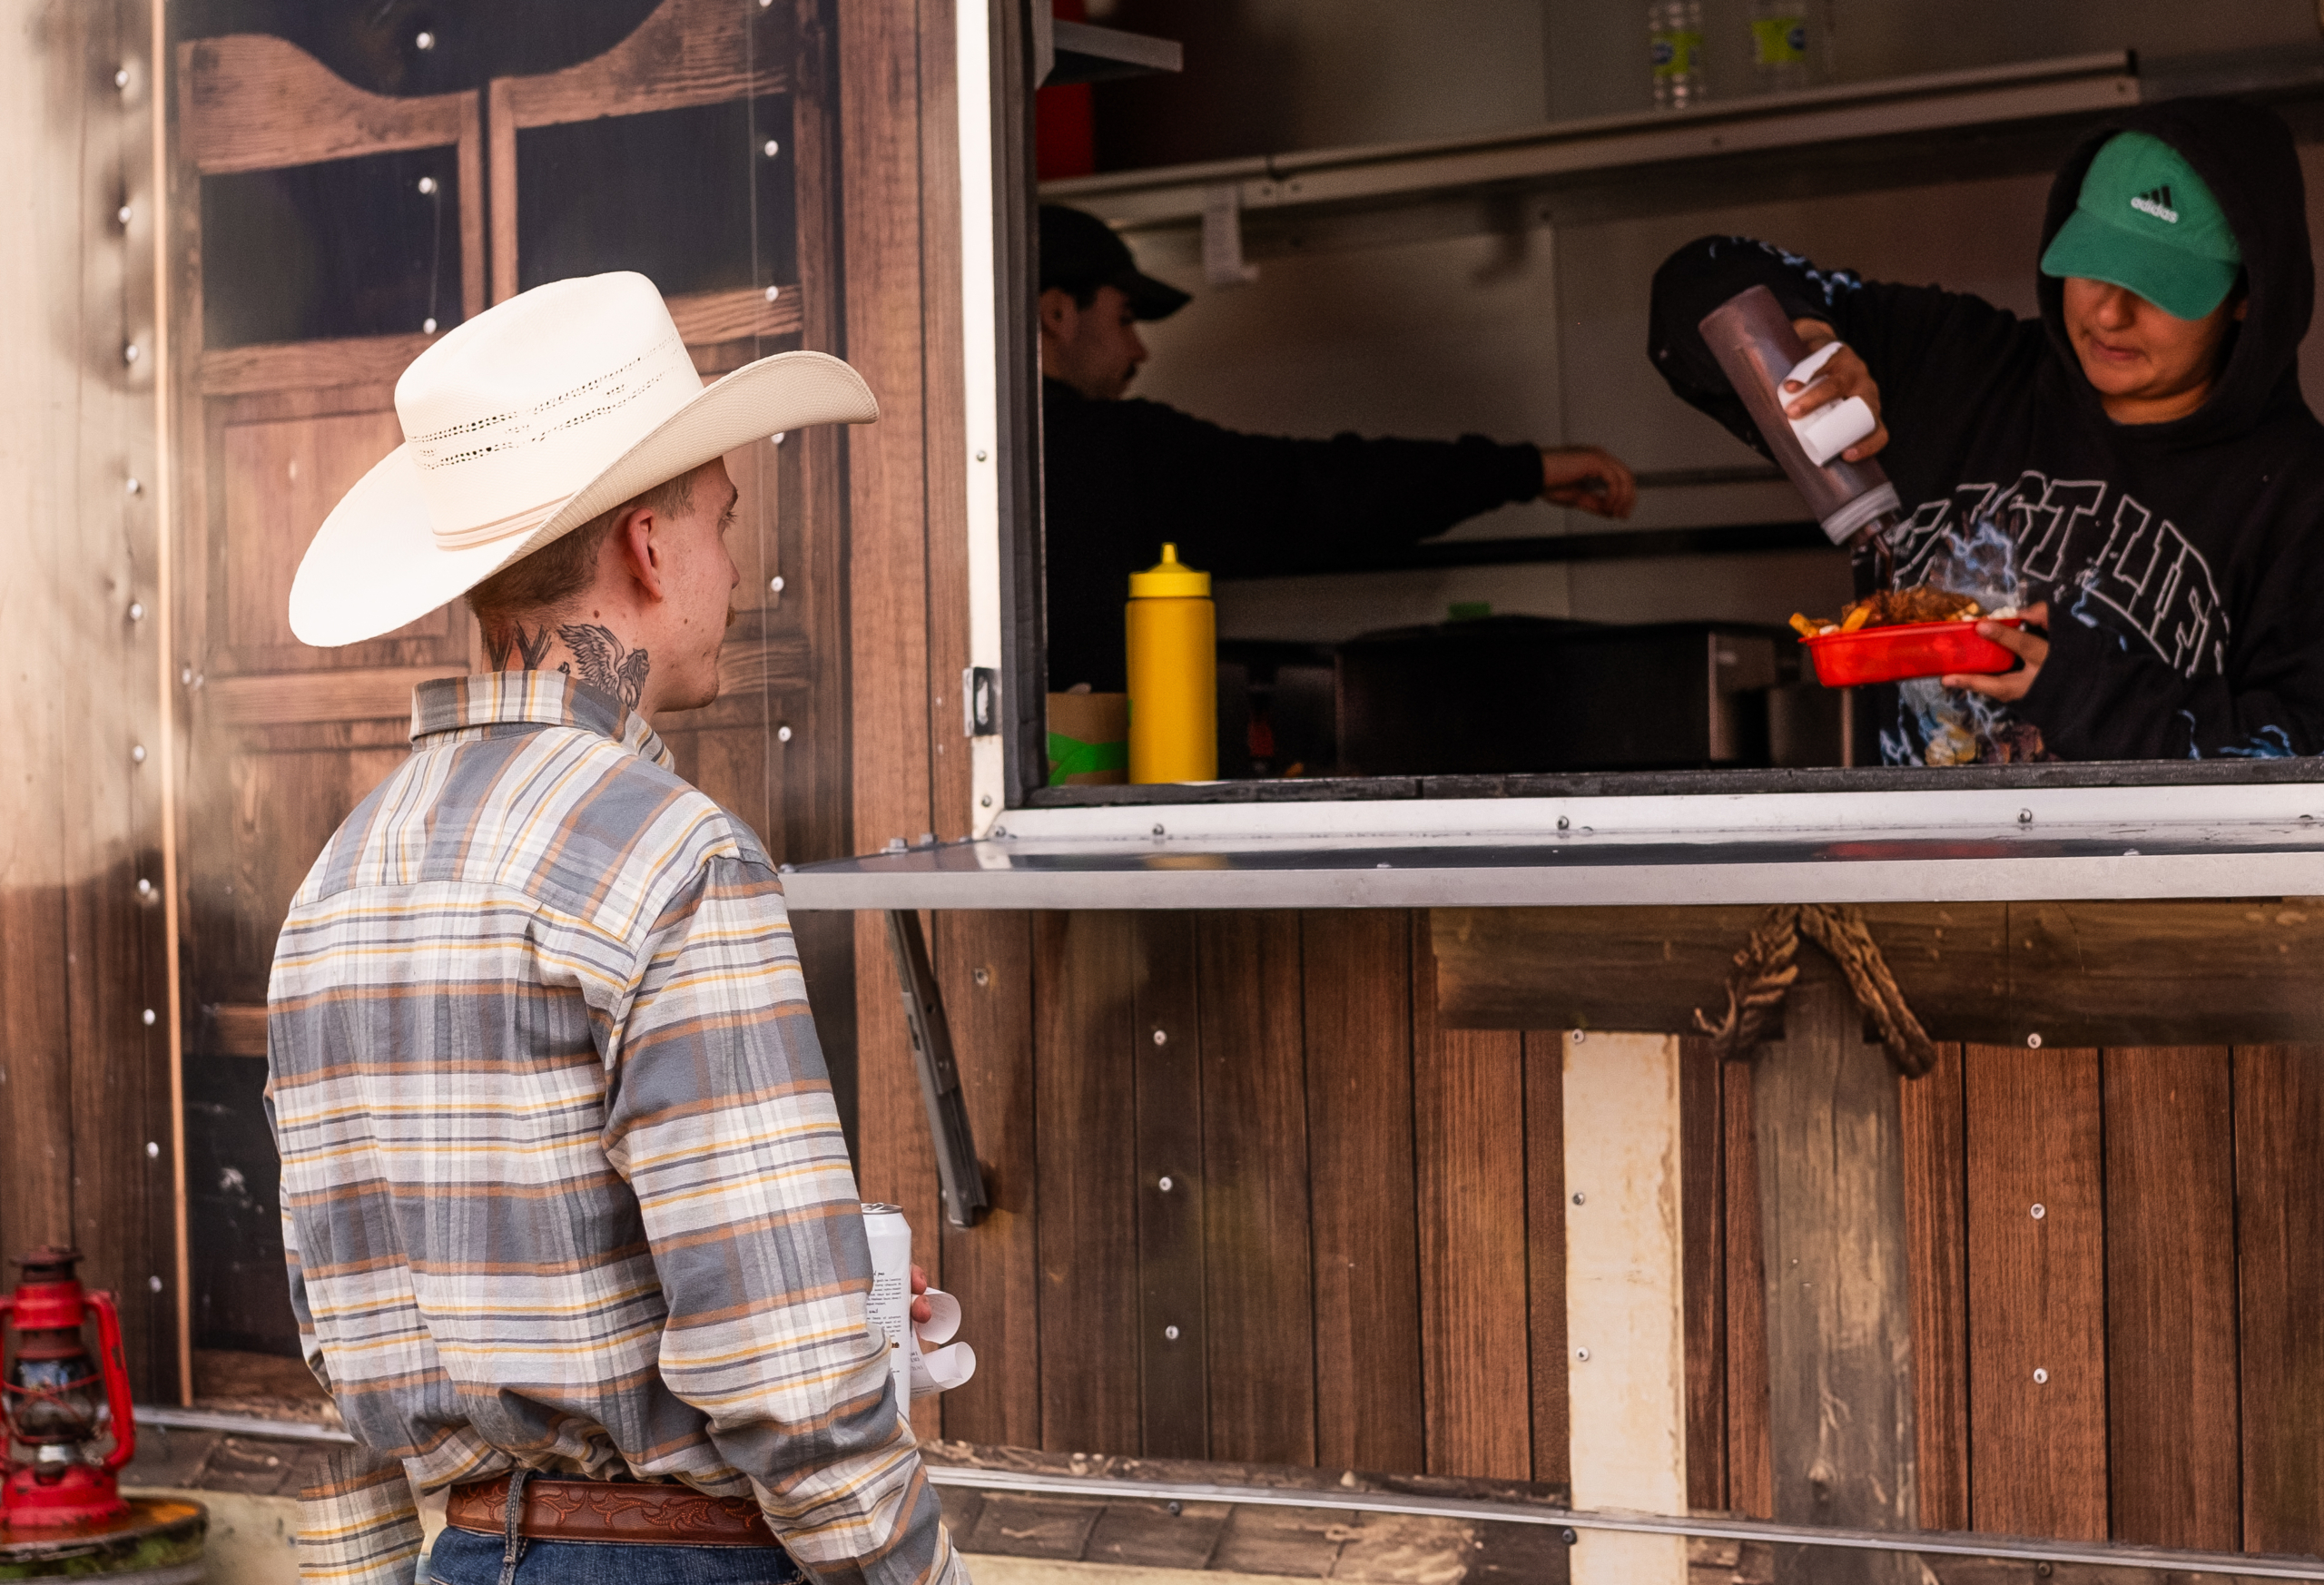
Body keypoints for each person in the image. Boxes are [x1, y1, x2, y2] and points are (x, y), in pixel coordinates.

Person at [268, 273, 964, 1585]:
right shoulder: (673, 854)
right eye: (720, 519)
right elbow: (787, 1376)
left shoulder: (336, 883)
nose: (733, 562)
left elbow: (334, 1329)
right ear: (649, 547)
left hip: (460, 1560)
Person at [1649, 96, 2324, 763]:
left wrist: (2085, 690)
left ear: (2245, 297)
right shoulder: (1954, 365)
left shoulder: (2299, 498)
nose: (2111, 314)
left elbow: (2305, 757)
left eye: (2158, 285)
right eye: (2091, 265)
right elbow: (1698, 276)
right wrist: (1806, 341)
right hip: (1909, 866)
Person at [1039, 202, 1640, 691]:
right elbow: (1319, 490)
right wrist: (1522, 471)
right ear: (1057, 313)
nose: (1138, 351)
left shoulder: (964, 466)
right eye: (1124, 318)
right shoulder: (1110, 449)